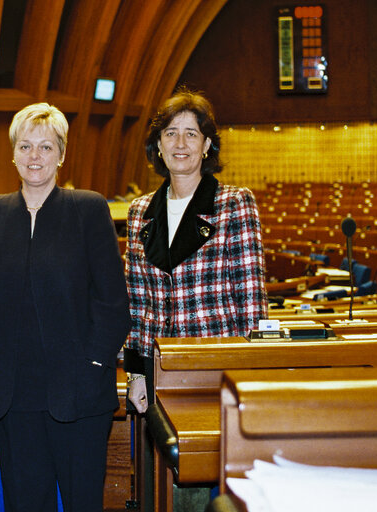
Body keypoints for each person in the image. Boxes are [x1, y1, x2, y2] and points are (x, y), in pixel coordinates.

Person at [0, 103, 131, 512]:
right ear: (13, 153)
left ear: (62, 155)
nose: (34, 156)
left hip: (80, 390)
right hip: (12, 392)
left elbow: (112, 301)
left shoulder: (88, 209)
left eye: (45, 147)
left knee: (82, 503)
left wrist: (94, 364)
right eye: (25, 146)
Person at [124, 88, 268, 413]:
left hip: (216, 365)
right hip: (154, 366)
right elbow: (134, 302)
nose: (180, 143)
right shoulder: (139, 211)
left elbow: (252, 304)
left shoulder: (234, 204)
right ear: (158, 145)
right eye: (171, 133)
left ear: (206, 146)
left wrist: (250, 377)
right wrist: (134, 373)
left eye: (192, 134)